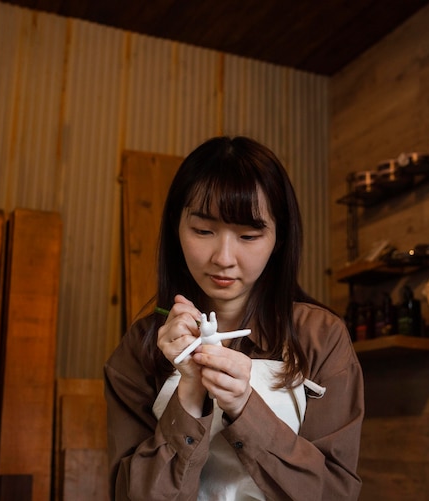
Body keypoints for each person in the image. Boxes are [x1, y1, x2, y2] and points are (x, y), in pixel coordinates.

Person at [104, 136, 364, 500]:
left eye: (248, 235)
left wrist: (245, 408)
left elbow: (335, 493)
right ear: (175, 229)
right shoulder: (141, 348)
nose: (224, 257)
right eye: (203, 231)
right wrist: (190, 396)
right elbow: (128, 495)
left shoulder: (319, 337)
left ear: (279, 238)